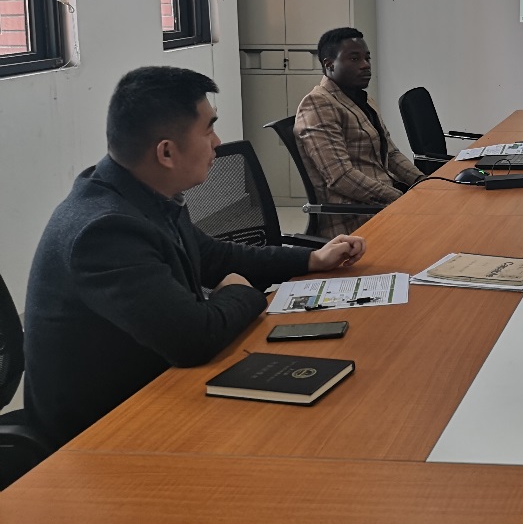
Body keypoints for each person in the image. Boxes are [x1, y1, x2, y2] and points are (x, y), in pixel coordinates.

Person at [23, 66, 367, 449]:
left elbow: (214, 255)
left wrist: (311, 260)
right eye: (208, 130)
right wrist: (241, 291)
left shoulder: (144, 192)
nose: (217, 142)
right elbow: (195, 339)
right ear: (167, 152)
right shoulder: (105, 231)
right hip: (103, 434)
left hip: (158, 389)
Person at [295, 27, 423, 236]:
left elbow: (391, 154)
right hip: (357, 216)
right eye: (354, 59)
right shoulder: (318, 104)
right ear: (329, 64)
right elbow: (341, 176)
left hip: (383, 202)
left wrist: (423, 182)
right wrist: (399, 199)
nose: (365, 65)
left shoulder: (361, 99)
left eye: (367, 58)